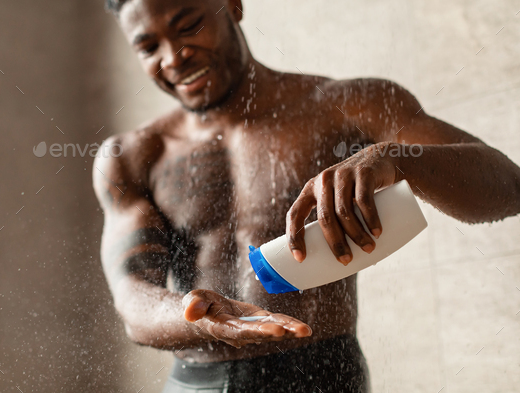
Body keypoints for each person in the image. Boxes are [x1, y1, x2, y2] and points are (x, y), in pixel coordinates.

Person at [92, 0, 520, 391]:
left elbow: (509, 188)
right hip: (193, 382)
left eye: (188, 25)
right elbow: (132, 299)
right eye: (148, 48)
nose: (173, 57)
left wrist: (397, 159)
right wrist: (201, 321)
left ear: (234, 5)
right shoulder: (133, 157)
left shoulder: (352, 104)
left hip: (323, 376)